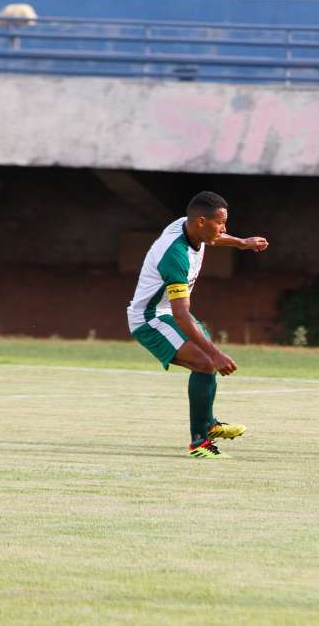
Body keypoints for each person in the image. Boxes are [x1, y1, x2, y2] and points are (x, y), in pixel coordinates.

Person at [126, 191, 269, 458]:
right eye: (220, 222)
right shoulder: (175, 255)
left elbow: (214, 238)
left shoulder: (192, 228)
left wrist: (240, 243)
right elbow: (181, 314)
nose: (224, 227)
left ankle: (209, 424)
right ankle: (199, 442)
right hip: (151, 319)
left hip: (167, 313)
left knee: (205, 359)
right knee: (205, 360)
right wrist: (216, 354)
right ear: (201, 222)